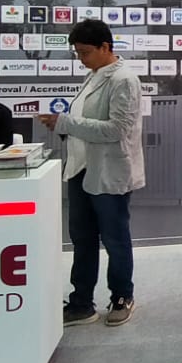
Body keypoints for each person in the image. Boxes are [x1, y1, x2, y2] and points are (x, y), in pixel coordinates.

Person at [39, 18, 144, 328]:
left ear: (105, 47)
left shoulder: (123, 79)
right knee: (83, 240)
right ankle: (81, 303)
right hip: (81, 169)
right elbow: (85, 122)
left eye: (85, 52)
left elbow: (116, 129)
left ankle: (122, 296)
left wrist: (66, 123)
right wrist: (64, 127)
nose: (80, 58)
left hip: (110, 171)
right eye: (77, 53)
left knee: (115, 239)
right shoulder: (93, 75)